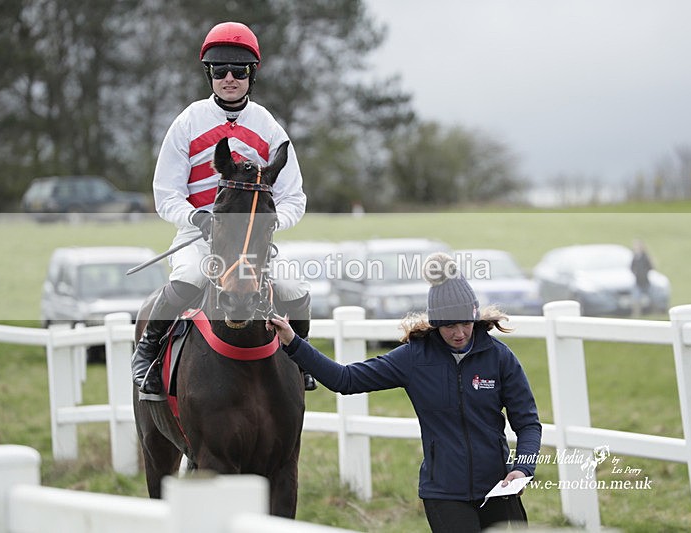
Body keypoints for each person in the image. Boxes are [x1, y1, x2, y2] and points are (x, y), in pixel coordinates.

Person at [268, 252, 542, 532]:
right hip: (445, 495)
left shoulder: (500, 357)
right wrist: (293, 341)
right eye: (449, 325)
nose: (459, 333)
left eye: (465, 323)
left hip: (500, 488)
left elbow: (528, 423)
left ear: (475, 314)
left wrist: (523, 469)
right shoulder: (414, 359)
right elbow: (345, 379)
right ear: (436, 323)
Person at [132, 21, 316, 395]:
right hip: (200, 232)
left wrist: (266, 223)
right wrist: (195, 217)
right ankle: (147, 354)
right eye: (220, 71)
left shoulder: (269, 128)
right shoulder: (187, 123)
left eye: (238, 71)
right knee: (191, 279)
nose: (229, 78)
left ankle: (302, 360)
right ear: (210, 75)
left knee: (294, 289)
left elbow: (294, 196)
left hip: (253, 239)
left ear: (252, 75)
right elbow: (165, 193)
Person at [630, 239, 653, 317]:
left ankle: (653, 311)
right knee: (636, 298)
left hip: (645, 281)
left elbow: (651, 267)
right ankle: (636, 313)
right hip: (638, 281)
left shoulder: (645, 257)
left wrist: (644, 272)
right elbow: (631, 267)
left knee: (652, 297)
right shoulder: (635, 257)